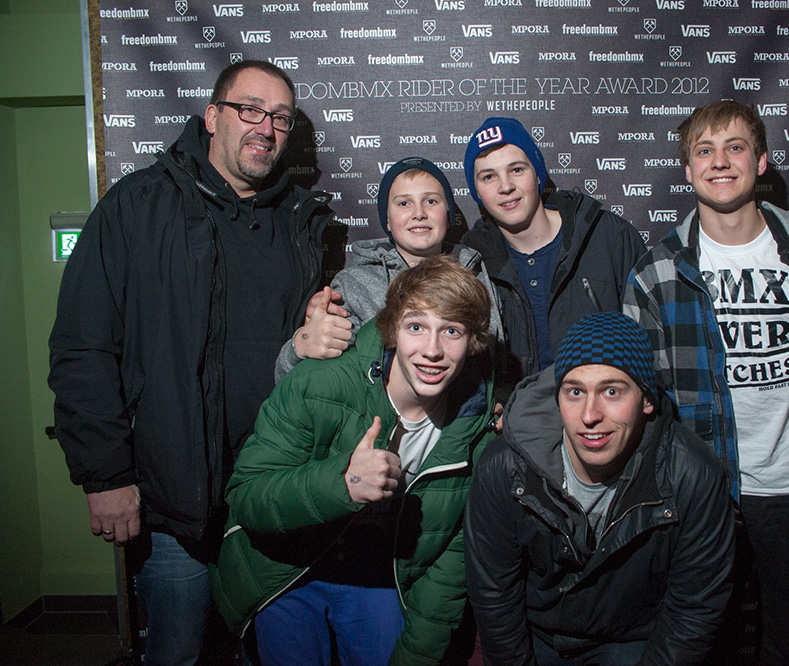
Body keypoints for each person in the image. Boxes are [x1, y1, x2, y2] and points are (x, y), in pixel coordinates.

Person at [48, 60, 334, 665]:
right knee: (179, 656)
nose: (266, 127)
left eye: (280, 117)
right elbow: (83, 347)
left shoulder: (300, 225)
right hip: (172, 505)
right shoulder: (137, 207)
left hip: (270, 496)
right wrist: (105, 475)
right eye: (250, 109)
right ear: (212, 117)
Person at [623, 100, 789, 665]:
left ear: (761, 160)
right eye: (704, 151)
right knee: (704, 647)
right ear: (688, 170)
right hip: (705, 495)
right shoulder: (657, 271)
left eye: (735, 147)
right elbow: (639, 400)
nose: (720, 162)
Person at [210, 255, 498, 666]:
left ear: (472, 342)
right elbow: (246, 497)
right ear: (393, 329)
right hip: (286, 566)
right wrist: (340, 483)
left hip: (378, 572)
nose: (432, 350)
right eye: (416, 326)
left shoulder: (473, 428)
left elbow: (448, 568)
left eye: (451, 331)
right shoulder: (318, 383)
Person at [465, 312, 734, 665]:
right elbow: (494, 592)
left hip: (632, 638)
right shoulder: (505, 467)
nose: (590, 415)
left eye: (611, 391)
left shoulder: (694, 476)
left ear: (646, 400)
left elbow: (694, 610)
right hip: (535, 632)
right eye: (575, 392)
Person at [274, 156, 503, 383]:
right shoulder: (354, 286)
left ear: (448, 214)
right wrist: (301, 345)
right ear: (388, 221)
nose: (419, 213)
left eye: (431, 201)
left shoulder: (475, 274)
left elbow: (494, 365)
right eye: (404, 203)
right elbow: (302, 382)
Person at [462, 117, 647, 387]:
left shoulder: (610, 236)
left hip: (604, 416)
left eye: (516, 169)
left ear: (538, 174)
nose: (505, 186)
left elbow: (650, 344)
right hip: (516, 424)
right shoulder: (471, 263)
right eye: (489, 176)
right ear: (476, 192)